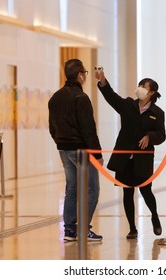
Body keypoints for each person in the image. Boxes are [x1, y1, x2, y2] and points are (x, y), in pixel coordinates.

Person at [95, 67, 166, 239]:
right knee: (127, 192)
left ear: (152, 92)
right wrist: (103, 81)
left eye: (145, 86)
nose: (140, 87)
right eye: (140, 84)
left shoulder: (157, 113)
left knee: (146, 190)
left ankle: (155, 216)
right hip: (124, 159)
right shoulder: (128, 105)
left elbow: (162, 135)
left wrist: (150, 136)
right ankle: (132, 228)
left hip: (143, 159)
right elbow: (111, 97)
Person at [48, 59, 103, 242]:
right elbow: (88, 130)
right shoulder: (81, 98)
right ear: (80, 75)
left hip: (64, 150)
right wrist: (97, 154)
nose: (85, 76)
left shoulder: (55, 98)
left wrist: (60, 142)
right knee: (91, 189)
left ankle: (70, 230)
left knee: (71, 188)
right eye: (85, 73)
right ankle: (83, 229)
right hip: (81, 151)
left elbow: (52, 127)